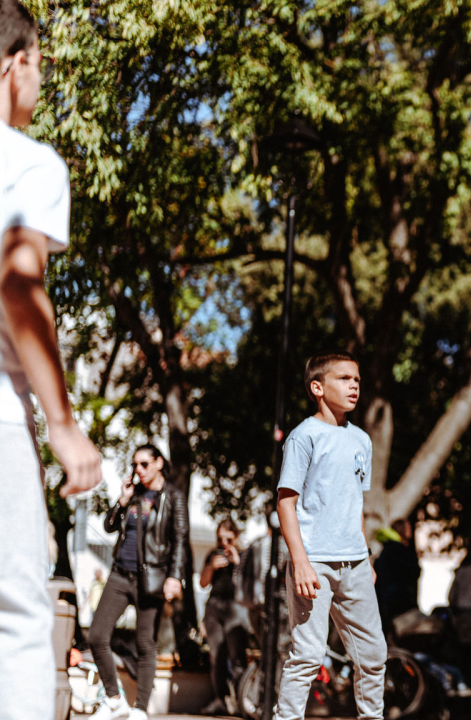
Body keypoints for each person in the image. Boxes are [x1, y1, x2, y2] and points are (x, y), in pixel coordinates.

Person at [0, 4, 103, 718]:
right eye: (41, 66)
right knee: (19, 617)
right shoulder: (28, 163)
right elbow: (16, 278)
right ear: (15, 64)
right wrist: (62, 426)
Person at [274, 350, 386, 720]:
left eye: (356, 379)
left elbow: (353, 506)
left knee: (373, 656)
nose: (354, 385)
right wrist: (300, 562)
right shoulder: (303, 437)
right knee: (307, 655)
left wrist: (365, 556)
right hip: (314, 563)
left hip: (354, 562)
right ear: (318, 387)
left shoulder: (362, 441)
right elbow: (285, 504)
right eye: (344, 378)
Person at [87, 444, 189, 720]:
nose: (138, 470)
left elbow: (180, 538)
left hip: (151, 579)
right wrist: (122, 499)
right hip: (120, 574)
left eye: (144, 464)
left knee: (146, 643)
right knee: (96, 636)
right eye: (134, 465)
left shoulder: (173, 497)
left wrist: (174, 576)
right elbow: (109, 526)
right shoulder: (133, 496)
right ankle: (114, 699)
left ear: (159, 463)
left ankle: (140, 709)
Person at [199, 519, 252, 716]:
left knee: (237, 656)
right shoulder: (213, 554)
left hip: (236, 608)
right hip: (214, 607)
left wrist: (237, 562)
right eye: (220, 539)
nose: (224, 543)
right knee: (217, 656)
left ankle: (241, 701)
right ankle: (220, 700)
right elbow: (203, 583)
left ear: (236, 536)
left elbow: (248, 586)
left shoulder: (245, 554)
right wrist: (211, 567)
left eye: (228, 539)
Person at [374, 517, 422, 634]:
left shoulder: (384, 551)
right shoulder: (400, 550)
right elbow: (414, 572)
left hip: (386, 603)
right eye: (408, 527)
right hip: (401, 602)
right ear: (402, 530)